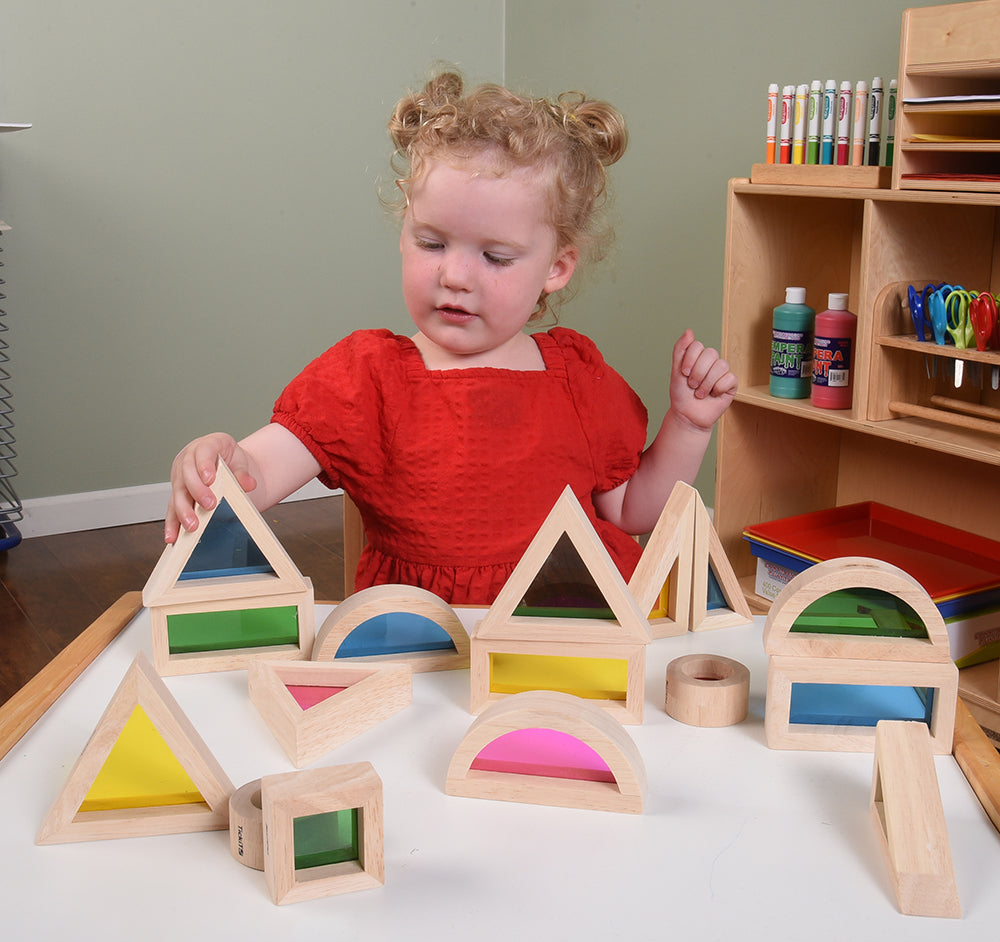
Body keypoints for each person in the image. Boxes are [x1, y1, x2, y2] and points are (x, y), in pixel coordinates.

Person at [166, 71, 737, 605]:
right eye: (432, 243)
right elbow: (255, 476)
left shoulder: (578, 378)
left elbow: (634, 510)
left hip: (564, 627)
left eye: (494, 256)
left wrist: (687, 425)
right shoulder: (366, 377)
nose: (455, 276)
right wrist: (217, 463)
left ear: (556, 268)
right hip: (423, 640)